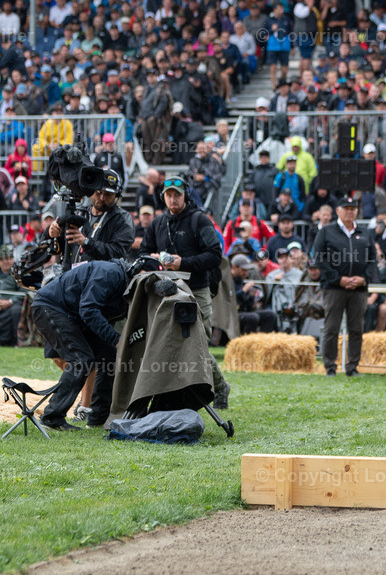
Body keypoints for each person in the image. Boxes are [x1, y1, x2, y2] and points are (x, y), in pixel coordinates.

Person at [139, 175, 230, 407]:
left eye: (177, 195)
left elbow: (214, 255)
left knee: (198, 346)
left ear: (185, 196)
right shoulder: (158, 223)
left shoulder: (199, 220)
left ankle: (220, 387)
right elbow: (143, 254)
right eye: (168, 195)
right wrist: (154, 259)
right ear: (163, 197)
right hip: (166, 292)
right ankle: (176, 394)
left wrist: (183, 263)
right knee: (168, 344)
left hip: (197, 290)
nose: (173, 199)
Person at [31, 260, 131, 430]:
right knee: (81, 360)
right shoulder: (110, 273)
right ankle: (51, 418)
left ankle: (99, 417)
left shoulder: (125, 284)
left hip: (73, 315)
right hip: (51, 307)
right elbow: (88, 309)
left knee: (109, 356)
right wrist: (115, 339)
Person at [312, 197, 379, 376]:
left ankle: (352, 367)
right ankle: (330, 367)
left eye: (353, 208)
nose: (350, 211)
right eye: (346, 208)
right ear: (338, 211)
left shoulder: (365, 233)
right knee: (331, 328)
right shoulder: (326, 231)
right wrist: (337, 279)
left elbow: (373, 259)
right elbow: (319, 258)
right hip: (334, 288)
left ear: (357, 211)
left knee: (356, 328)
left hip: (358, 289)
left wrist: (364, 279)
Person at [46, 169, 134, 266]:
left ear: (116, 196)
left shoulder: (122, 219)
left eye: (108, 194)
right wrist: (53, 234)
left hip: (103, 273)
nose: (102, 198)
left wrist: (86, 242)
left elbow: (118, 253)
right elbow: (57, 246)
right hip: (74, 273)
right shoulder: (79, 214)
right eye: (98, 192)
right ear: (91, 191)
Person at [230, 254, 278, 334]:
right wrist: (243, 291)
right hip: (232, 314)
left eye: (247, 270)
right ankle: (248, 341)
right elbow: (230, 300)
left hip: (245, 312)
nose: (246, 273)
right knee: (253, 317)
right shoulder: (228, 281)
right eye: (243, 270)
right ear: (235, 267)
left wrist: (251, 297)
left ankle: (262, 340)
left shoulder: (242, 280)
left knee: (270, 315)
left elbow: (249, 307)